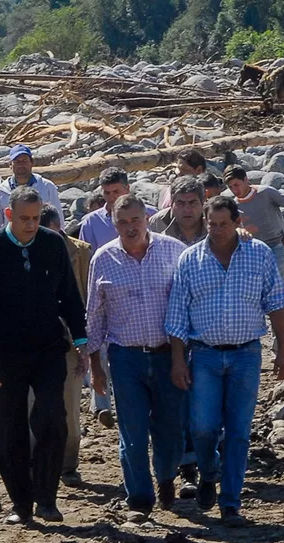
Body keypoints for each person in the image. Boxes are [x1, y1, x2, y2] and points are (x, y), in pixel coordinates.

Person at [165, 196, 284, 527]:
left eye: (224, 223)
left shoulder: (259, 254)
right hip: (203, 354)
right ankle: (208, 473)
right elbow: (177, 315)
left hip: (246, 354)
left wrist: (283, 350)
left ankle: (231, 503)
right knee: (203, 427)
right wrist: (178, 360)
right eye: (212, 224)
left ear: (237, 221)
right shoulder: (190, 260)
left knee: (238, 432)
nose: (218, 230)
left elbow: (276, 303)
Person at [0, 186, 88, 525]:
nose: (32, 225)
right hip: (4, 351)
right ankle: (21, 504)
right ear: (9, 215)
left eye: (36, 218)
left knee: (51, 418)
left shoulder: (52, 245)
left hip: (48, 348)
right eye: (24, 219)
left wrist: (81, 341)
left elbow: (70, 298)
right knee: (9, 431)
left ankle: (47, 499)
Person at [86, 194, 188, 516]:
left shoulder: (175, 251)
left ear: (147, 218)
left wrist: (183, 357)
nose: (130, 228)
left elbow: (189, 306)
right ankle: (140, 499)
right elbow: (94, 316)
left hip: (167, 354)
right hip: (125, 357)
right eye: (123, 222)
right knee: (132, 432)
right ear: (114, 224)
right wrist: (96, 369)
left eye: (135, 220)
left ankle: (167, 475)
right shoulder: (102, 259)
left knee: (170, 428)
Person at [77, 167, 153, 428]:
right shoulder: (91, 223)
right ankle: (102, 404)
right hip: (106, 291)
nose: (111, 198)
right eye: (107, 193)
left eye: (116, 192)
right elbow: (86, 259)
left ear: (127, 189)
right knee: (100, 346)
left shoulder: (147, 216)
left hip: (141, 293)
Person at [34, 203, 91, 487]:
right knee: (33, 407)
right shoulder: (25, 251)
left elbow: (86, 296)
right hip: (34, 341)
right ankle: (36, 463)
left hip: (70, 339)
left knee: (69, 408)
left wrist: (85, 342)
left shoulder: (81, 251)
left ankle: (68, 464)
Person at [222, 166, 284, 279]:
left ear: (245, 179)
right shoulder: (234, 206)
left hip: (275, 246)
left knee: (276, 284)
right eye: (230, 187)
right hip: (252, 251)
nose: (235, 190)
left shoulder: (266, 193)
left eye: (236, 185)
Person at [0, 144, 63, 235]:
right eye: (17, 161)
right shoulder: (1, 191)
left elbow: (59, 221)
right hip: (12, 244)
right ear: (10, 165)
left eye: (24, 160)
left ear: (31, 163)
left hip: (42, 242)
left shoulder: (47, 187)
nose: (21, 165)